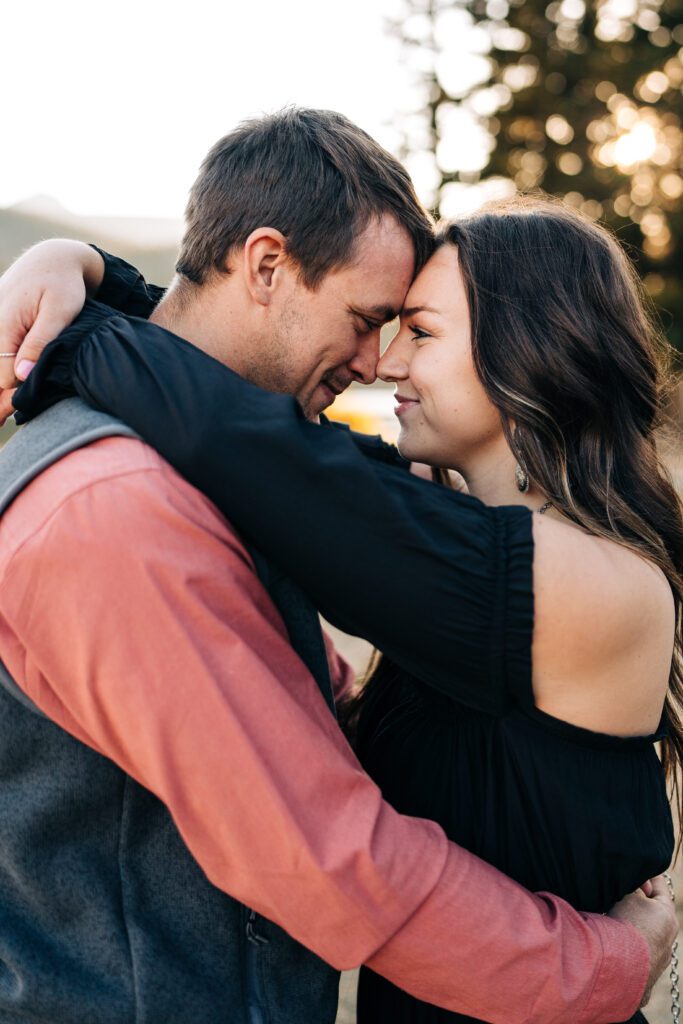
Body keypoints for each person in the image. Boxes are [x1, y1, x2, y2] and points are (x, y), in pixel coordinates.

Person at [0, 118, 677, 1024]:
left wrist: (79, 319)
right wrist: (80, 272)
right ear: (269, 266)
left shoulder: (583, 583)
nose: (381, 362)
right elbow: (262, 450)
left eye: (415, 331)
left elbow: (246, 442)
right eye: (374, 322)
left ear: (527, 350)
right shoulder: (426, 521)